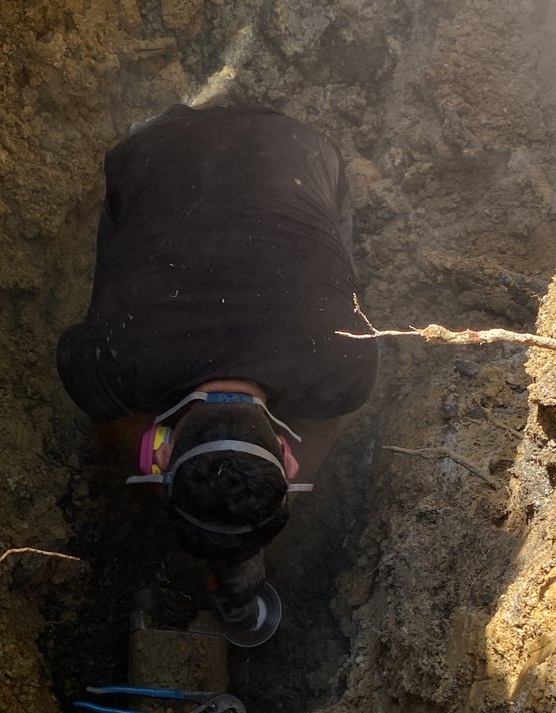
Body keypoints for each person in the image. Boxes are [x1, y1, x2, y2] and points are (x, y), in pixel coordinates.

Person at [56, 103, 378, 644]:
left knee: (330, 253)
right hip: (180, 143)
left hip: (294, 147)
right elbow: (78, 356)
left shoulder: (343, 362)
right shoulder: (109, 363)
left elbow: (98, 396)